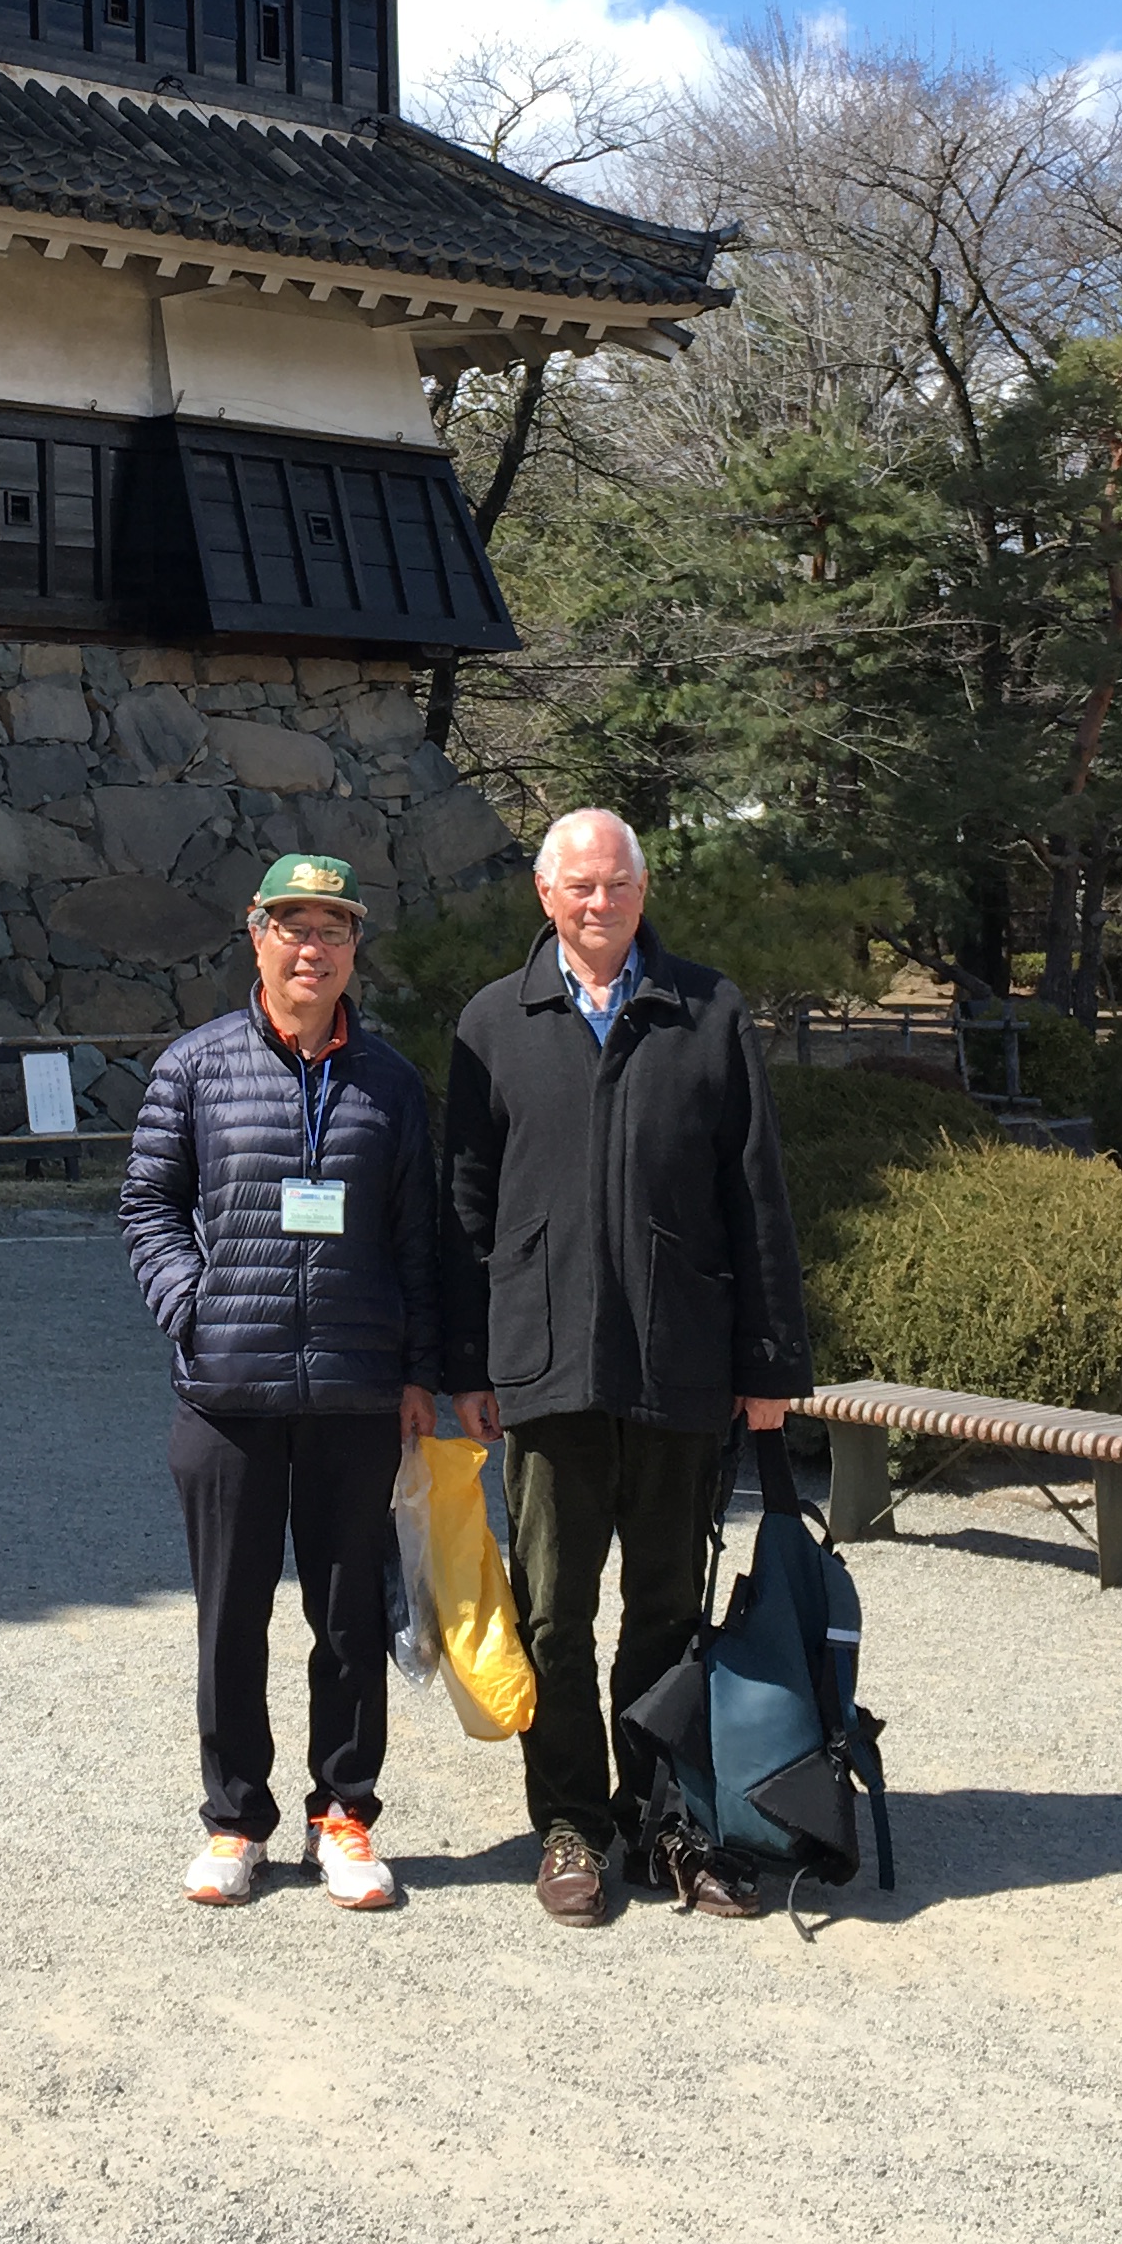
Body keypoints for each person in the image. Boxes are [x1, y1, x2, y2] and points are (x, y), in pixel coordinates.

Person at [439, 809, 812, 1929]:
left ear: (643, 893)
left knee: (666, 1610)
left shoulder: (709, 1010)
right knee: (552, 1617)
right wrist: (467, 1362)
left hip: (677, 1362)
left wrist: (769, 1361)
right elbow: (464, 1205)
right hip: (545, 1364)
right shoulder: (494, 1022)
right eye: (579, 886)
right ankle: (570, 1824)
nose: (598, 903)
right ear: (545, 897)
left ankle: (662, 1819)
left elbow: (755, 1192)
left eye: (616, 884)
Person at [119, 851, 492, 1914]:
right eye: (294, 927)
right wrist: (192, 1307)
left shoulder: (390, 1083)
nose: (312, 949)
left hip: (356, 1391)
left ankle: (345, 1814)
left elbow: (417, 1238)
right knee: (230, 1618)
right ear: (258, 935)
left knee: (349, 1618)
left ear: (353, 948)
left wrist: (420, 1372)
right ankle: (235, 1820)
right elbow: (147, 1204)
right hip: (225, 1392)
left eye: (333, 930)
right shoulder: (195, 1067)